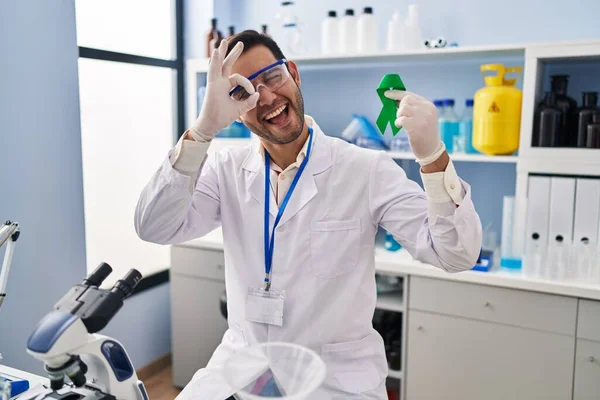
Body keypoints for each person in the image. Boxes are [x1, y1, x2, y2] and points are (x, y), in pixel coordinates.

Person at [134, 30, 482, 399]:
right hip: (244, 370)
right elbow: (154, 226)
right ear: (232, 109)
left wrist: (433, 158)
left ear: (294, 74)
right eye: (244, 92)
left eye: (272, 77)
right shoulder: (225, 168)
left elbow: (456, 254)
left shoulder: (365, 168)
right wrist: (202, 132)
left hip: (335, 381)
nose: (266, 97)